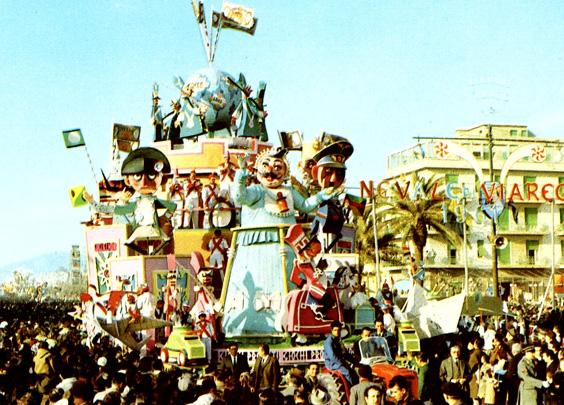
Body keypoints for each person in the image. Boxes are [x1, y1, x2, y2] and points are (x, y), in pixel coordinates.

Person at [323, 320, 356, 386]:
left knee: (353, 372)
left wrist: (354, 361)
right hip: (332, 364)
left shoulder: (338, 340)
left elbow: (344, 353)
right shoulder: (328, 342)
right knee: (347, 372)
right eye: (335, 330)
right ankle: (350, 391)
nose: (337, 332)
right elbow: (332, 357)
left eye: (338, 330)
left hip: (339, 362)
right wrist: (342, 364)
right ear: (331, 330)